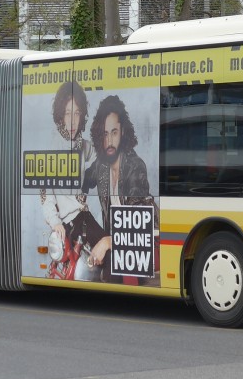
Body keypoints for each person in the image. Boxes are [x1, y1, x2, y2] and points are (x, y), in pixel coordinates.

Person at [87, 95, 157, 285]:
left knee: (110, 274)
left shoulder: (135, 166)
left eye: (114, 132)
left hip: (143, 243)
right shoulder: (101, 165)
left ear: (123, 132)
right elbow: (81, 181)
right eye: (105, 134)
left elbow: (136, 227)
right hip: (116, 242)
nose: (109, 140)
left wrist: (106, 243)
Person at [39, 81, 103, 259]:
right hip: (71, 221)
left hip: (82, 215)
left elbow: (100, 154)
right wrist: (55, 222)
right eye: (68, 113)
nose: (73, 120)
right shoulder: (53, 148)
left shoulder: (81, 144)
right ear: (60, 115)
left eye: (77, 113)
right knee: (109, 246)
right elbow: (45, 195)